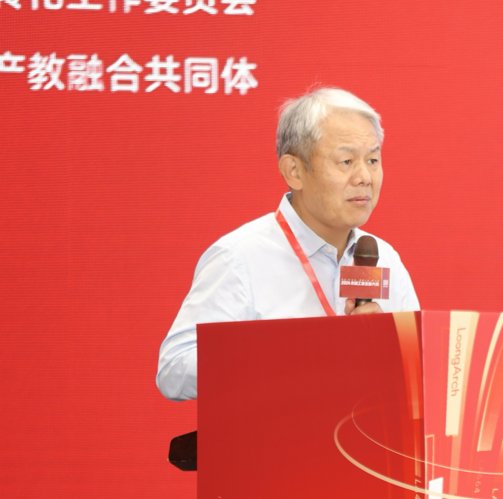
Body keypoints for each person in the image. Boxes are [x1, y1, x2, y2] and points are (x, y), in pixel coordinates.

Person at [156, 88, 419, 401]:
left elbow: (419, 372)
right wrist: (294, 353)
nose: (364, 177)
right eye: (346, 161)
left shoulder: (384, 258)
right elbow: (174, 369)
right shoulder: (240, 258)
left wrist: (389, 350)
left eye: (373, 160)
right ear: (294, 171)